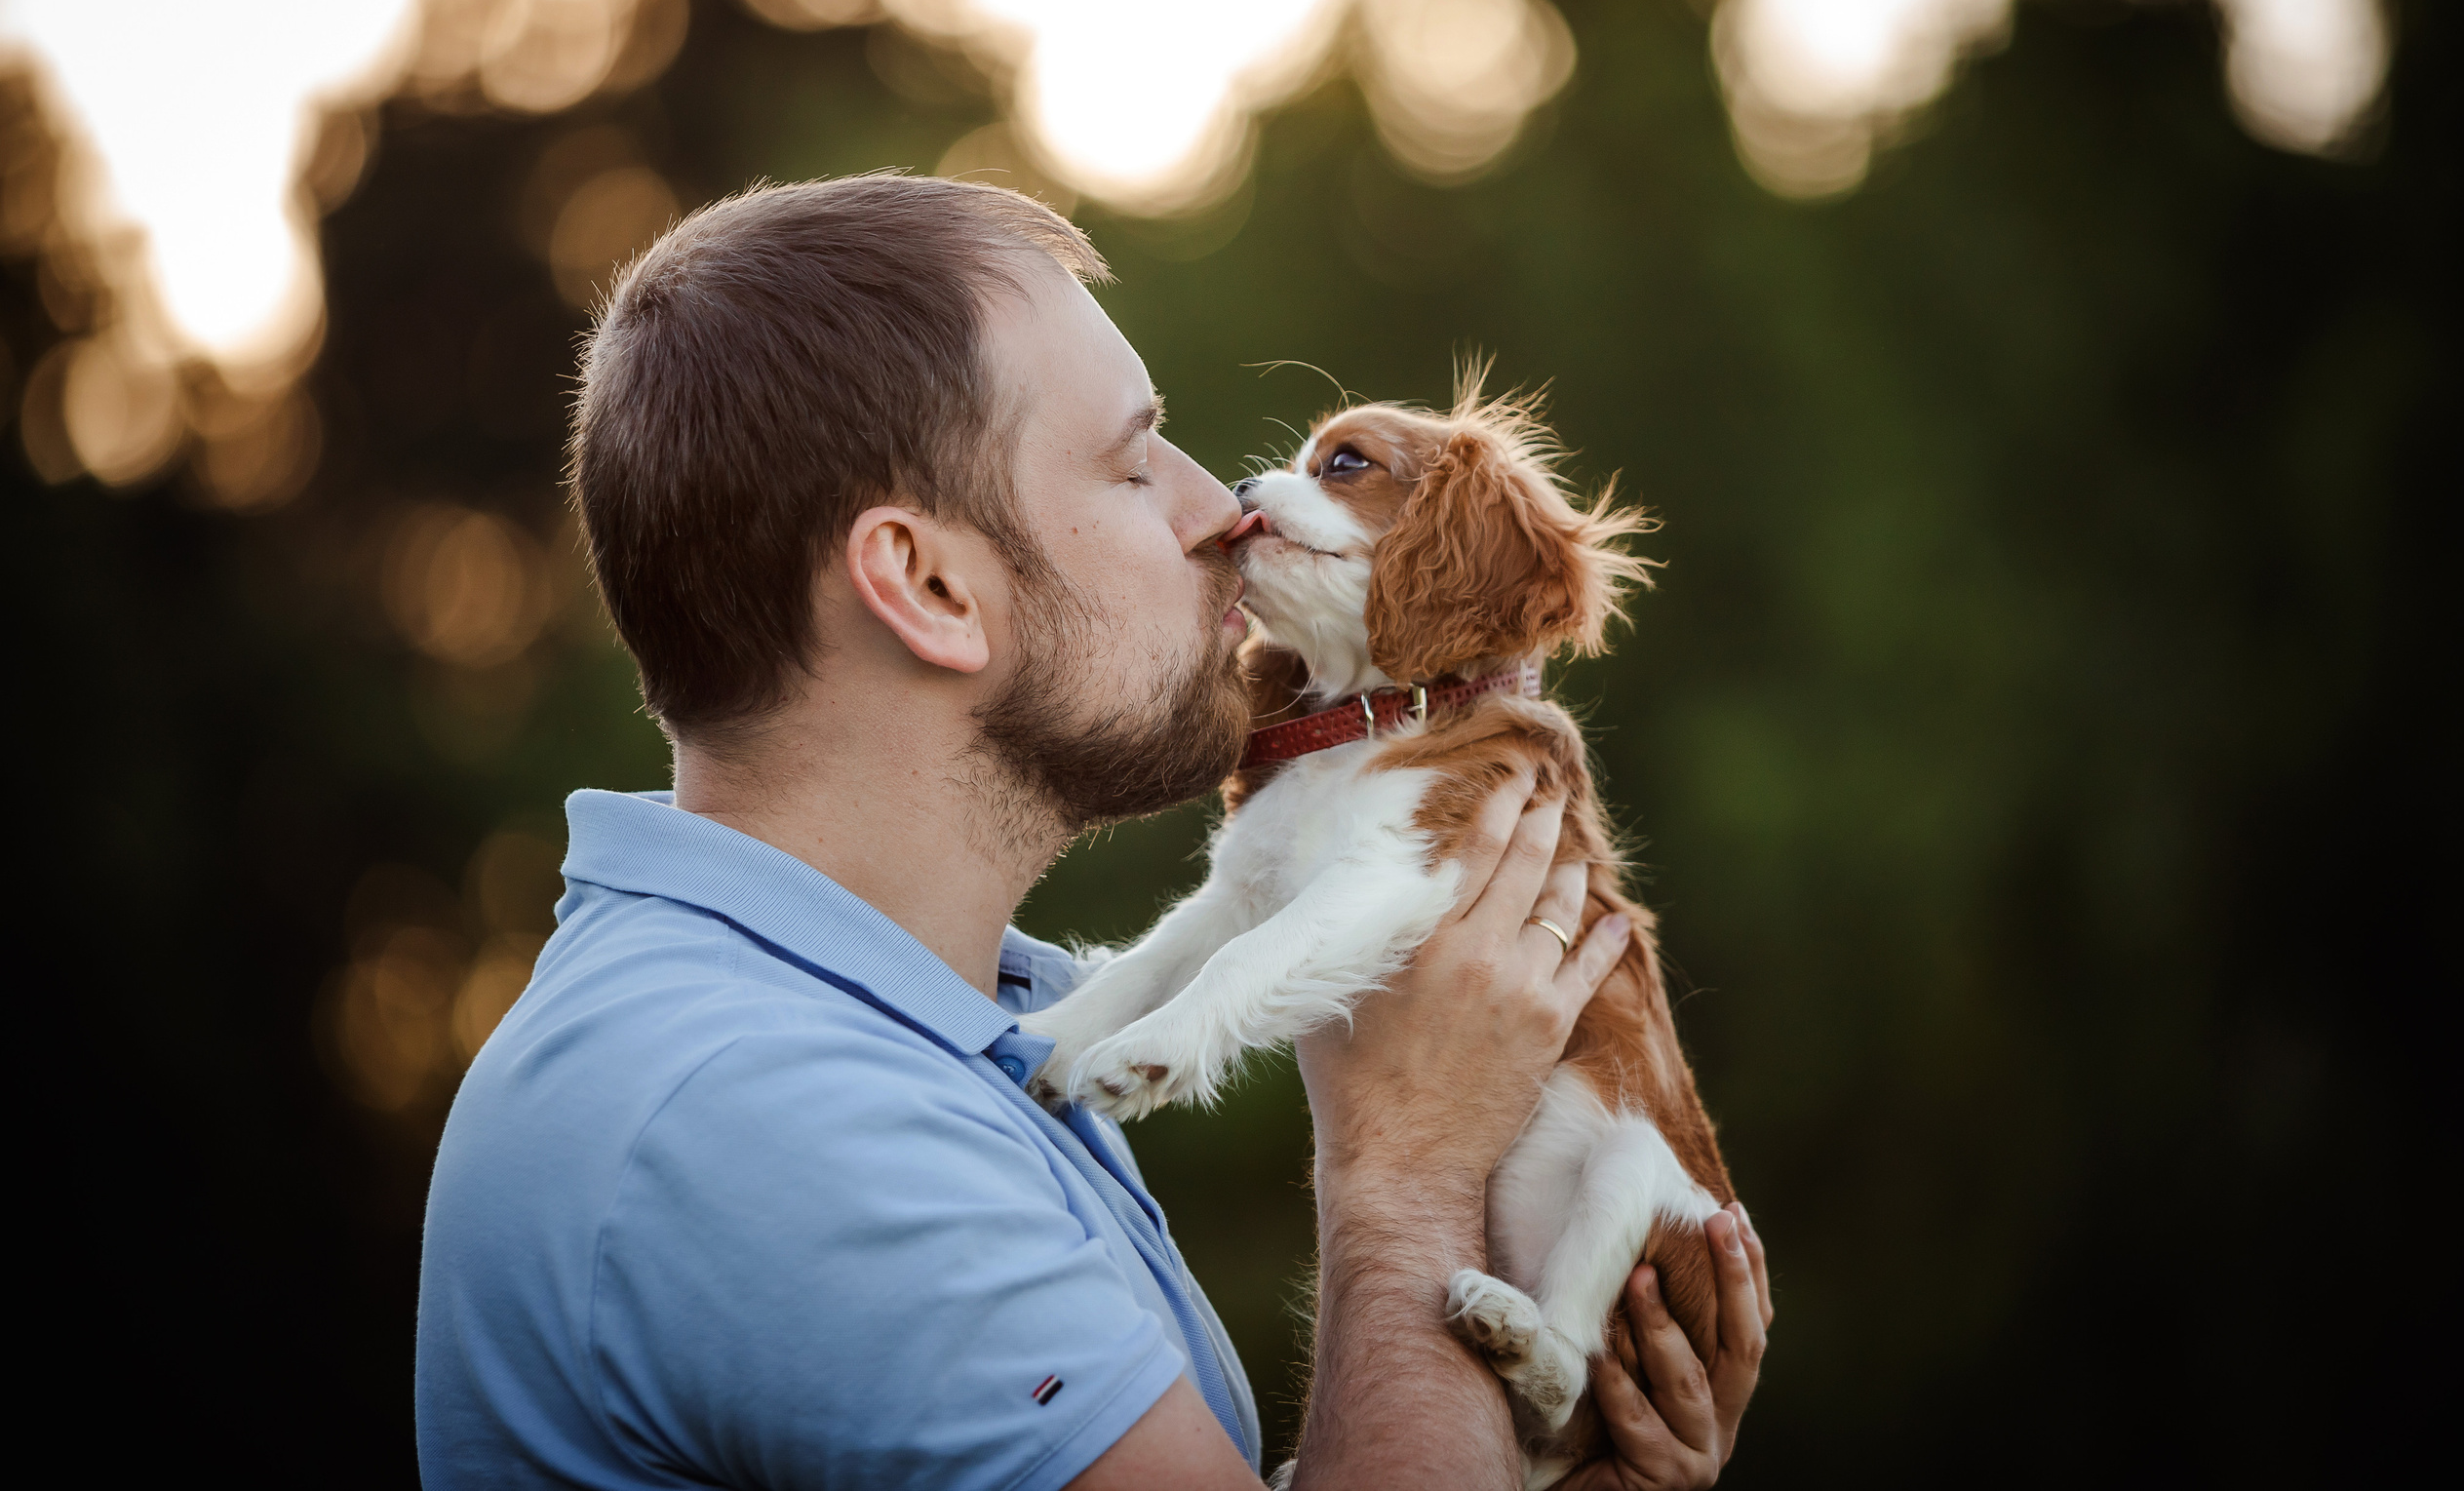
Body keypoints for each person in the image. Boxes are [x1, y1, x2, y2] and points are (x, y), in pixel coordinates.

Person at [413, 174, 1772, 1490]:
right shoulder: (769, 1118)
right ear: (930, 584)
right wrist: (1411, 1170)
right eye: (1134, 466)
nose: (1216, 511)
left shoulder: (963, 1027)